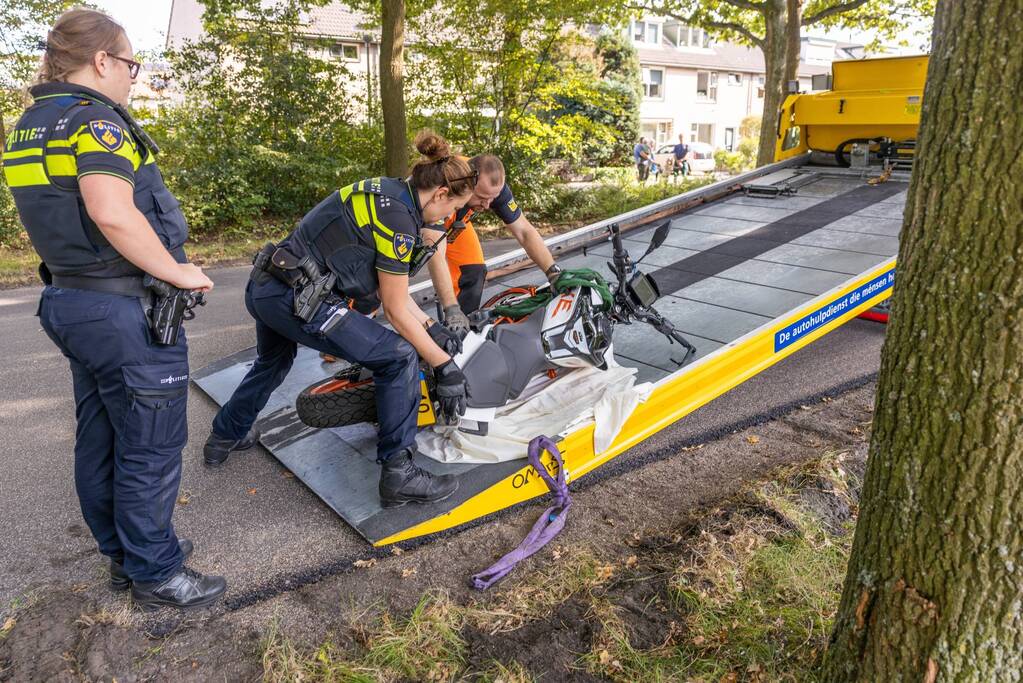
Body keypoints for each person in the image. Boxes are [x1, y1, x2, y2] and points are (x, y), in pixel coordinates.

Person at [1, 8, 224, 610]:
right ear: (101, 61)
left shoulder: (30, 124)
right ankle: (158, 575)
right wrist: (179, 271)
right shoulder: (95, 122)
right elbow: (112, 211)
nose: (132, 75)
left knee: (101, 437)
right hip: (122, 308)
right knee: (150, 443)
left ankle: (126, 558)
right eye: (130, 63)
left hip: (71, 299)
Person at [203, 131, 473, 507]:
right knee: (397, 357)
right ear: (441, 193)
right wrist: (444, 366)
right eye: (453, 208)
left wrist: (431, 329)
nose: (451, 217)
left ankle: (224, 435)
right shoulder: (399, 220)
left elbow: (387, 294)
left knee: (274, 360)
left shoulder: (389, 193)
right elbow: (394, 310)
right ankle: (399, 473)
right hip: (299, 299)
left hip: (268, 286)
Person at [423, 154, 560, 329]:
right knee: (384, 288)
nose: (487, 205)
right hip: (425, 221)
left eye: (492, 199)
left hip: (456, 222)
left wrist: (553, 272)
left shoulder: (492, 188)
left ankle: (462, 329)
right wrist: (451, 308)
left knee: (474, 271)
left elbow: (524, 231)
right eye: (481, 197)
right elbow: (436, 256)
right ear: (468, 182)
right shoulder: (444, 185)